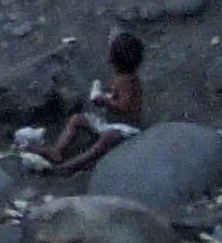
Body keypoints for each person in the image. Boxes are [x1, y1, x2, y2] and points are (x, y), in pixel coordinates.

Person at [46, 31, 147, 172]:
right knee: (77, 119)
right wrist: (105, 96)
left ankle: (74, 164)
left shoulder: (128, 81)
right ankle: (57, 150)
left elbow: (123, 107)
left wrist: (104, 100)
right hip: (110, 123)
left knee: (106, 140)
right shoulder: (120, 76)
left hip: (125, 130)